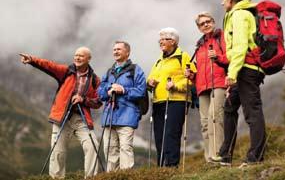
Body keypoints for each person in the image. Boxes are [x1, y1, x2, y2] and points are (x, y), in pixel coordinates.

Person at [19, 47, 102, 178]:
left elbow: (98, 102)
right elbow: (49, 66)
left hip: (81, 119)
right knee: (58, 152)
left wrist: (83, 100)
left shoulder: (95, 80)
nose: (77, 58)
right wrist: (31, 60)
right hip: (62, 118)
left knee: (93, 145)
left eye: (81, 56)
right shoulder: (66, 71)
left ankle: (91, 177)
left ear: (88, 59)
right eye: (76, 55)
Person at [215, 0, 266, 167]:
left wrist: (232, 73)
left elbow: (240, 46)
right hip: (243, 67)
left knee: (252, 112)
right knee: (229, 108)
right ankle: (225, 155)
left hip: (247, 68)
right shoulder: (240, 13)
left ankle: (255, 158)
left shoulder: (239, 14)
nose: (222, 3)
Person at [147, 27, 196, 167]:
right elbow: (151, 77)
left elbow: (192, 78)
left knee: (171, 134)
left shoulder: (183, 57)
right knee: (159, 136)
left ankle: (171, 167)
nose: (161, 42)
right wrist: (150, 82)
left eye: (164, 39)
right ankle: (161, 167)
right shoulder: (158, 61)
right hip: (158, 101)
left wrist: (175, 85)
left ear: (173, 41)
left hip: (177, 101)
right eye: (160, 39)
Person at [98, 41, 146, 172]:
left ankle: (126, 176)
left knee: (125, 148)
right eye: (114, 49)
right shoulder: (109, 71)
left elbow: (141, 91)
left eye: (119, 49)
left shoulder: (136, 70)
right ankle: (112, 176)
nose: (115, 51)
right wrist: (108, 90)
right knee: (109, 150)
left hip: (128, 115)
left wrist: (123, 90)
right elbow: (100, 92)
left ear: (127, 52)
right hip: (110, 117)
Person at [186, 12, 228, 163]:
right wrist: (192, 76)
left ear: (213, 22)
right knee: (205, 123)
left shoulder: (221, 37)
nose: (205, 25)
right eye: (202, 23)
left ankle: (219, 155)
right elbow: (201, 71)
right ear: (198, 28)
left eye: (208, 21)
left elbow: (230, 57)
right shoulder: (199, 45)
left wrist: (218, 57)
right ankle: (209, 159)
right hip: (202, 86)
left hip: (219, 82)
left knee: (215, 117)